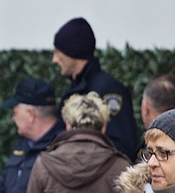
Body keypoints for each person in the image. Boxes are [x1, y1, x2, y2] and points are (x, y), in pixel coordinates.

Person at [52, 17, 138, 159]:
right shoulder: (74, 88)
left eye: (57, 52)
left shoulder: (108, 90)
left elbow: (122, 147)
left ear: (73, 52)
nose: (54, 59)